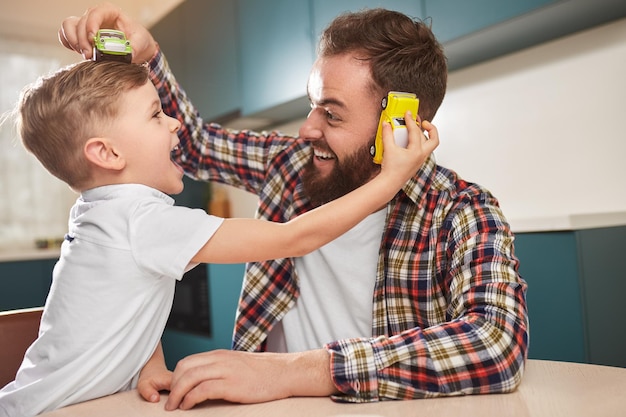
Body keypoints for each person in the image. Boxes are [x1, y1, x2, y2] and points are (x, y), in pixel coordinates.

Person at [58, 4, 528, 410]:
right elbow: (195, 146)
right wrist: (147, 58)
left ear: (401, 124)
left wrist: (289, 372)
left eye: (332, 113)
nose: (307, 129)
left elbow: (497, 345)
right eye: (311, 105)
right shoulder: (291, 165)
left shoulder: (460, 210)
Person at [0, 58, 436, 417]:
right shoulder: (144, 221)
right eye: (156, 115)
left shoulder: (101, 212)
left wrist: (150, 363)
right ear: (108, 153)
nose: (174, 125)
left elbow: (127, 302)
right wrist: (391, 178)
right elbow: (295, 237)